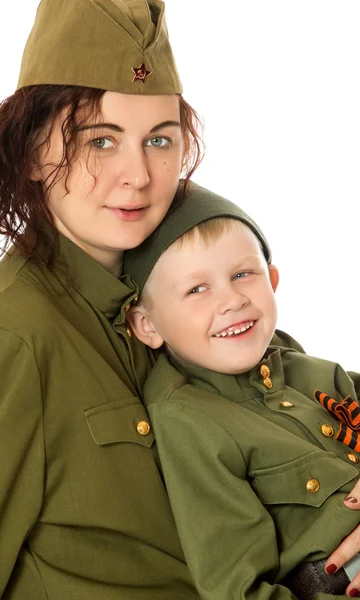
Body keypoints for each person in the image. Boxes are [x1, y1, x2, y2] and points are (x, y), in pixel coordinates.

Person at [0, 0, 208, 597]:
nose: (139, 175)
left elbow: (299, 394)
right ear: (32, 151)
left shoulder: (187, 284)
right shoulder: (13, 331)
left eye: (159, 139)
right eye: (100, 141)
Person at [124, 182, 360, 600]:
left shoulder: (303, 368)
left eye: (242, 274)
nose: (232, 300)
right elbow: (237, 589)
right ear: (148, 325)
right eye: (197, 289)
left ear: (271, 280)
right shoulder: (189, 419)